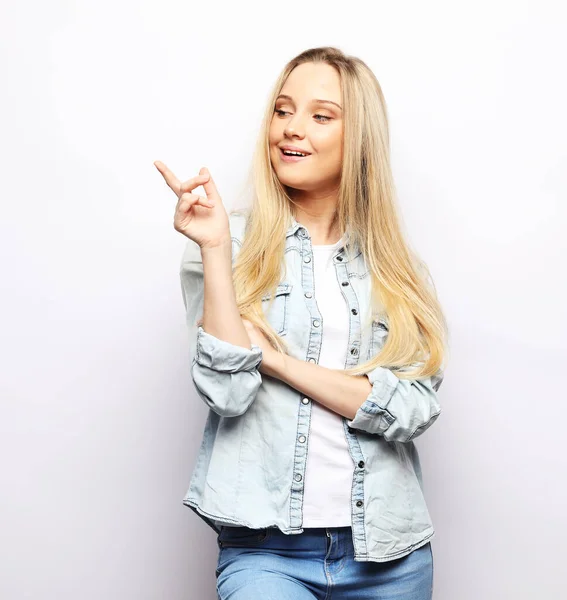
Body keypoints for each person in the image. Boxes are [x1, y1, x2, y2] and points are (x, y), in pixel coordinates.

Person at [154, 46, 448, 600]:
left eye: (321, 115)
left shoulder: (396, 269)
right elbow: (228, 390)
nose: (292, 129)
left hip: (389, 554)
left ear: (357, 136)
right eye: (283, 110)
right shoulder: (226, 245)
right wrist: (215, 246)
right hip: (266, 551)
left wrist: (278, 360)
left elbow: (412, 407)